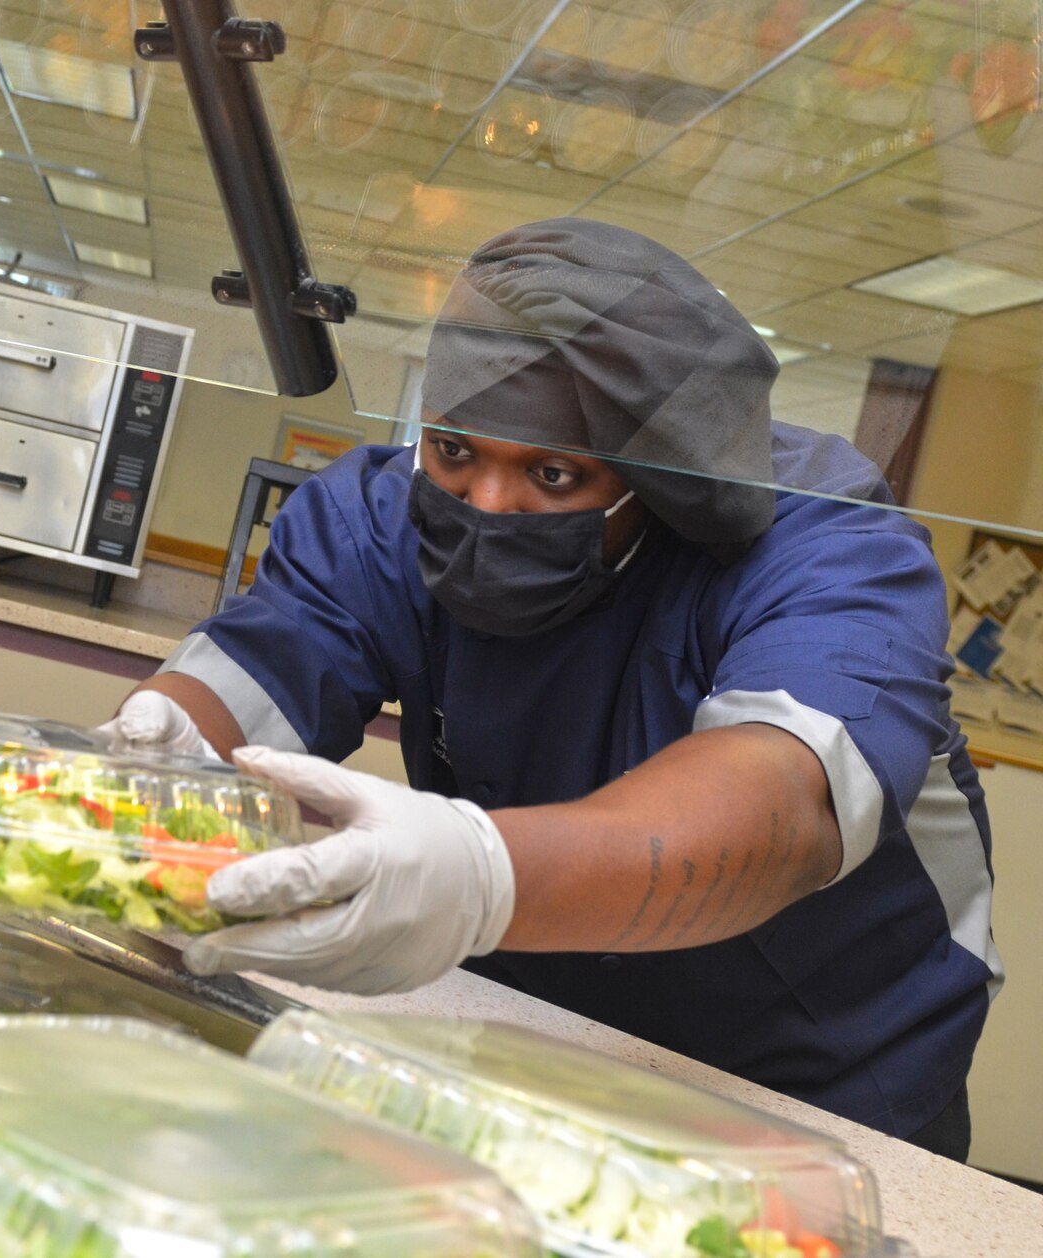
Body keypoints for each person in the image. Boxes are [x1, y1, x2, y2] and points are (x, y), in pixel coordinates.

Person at [105, 218, 998, 1160]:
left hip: (811, 1083)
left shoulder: (832, 549)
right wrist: (154, 749)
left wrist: (479, 873)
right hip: (537, 1037)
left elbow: (782, 805)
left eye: (555, 472)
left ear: (659, 467)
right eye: (454, 450)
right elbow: (261, 667)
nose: (486, 507)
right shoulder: (384, 516)